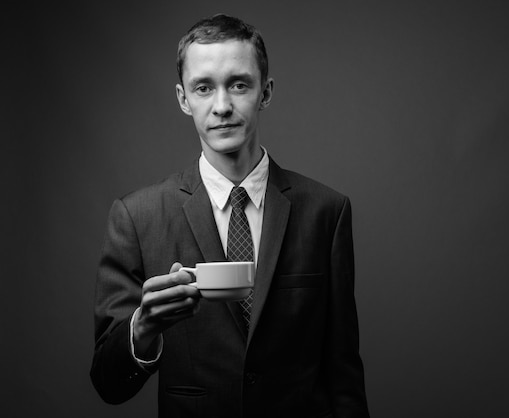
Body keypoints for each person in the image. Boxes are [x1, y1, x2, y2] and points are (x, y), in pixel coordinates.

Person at [91, 14, 369, 418]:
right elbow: (107, 383)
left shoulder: (326, 211)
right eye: (204, 88)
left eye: (239, 84)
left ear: (266, 92)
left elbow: (344, 376)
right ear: (184, 99)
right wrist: (142, 328)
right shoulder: (136, 217)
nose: (222, 106)